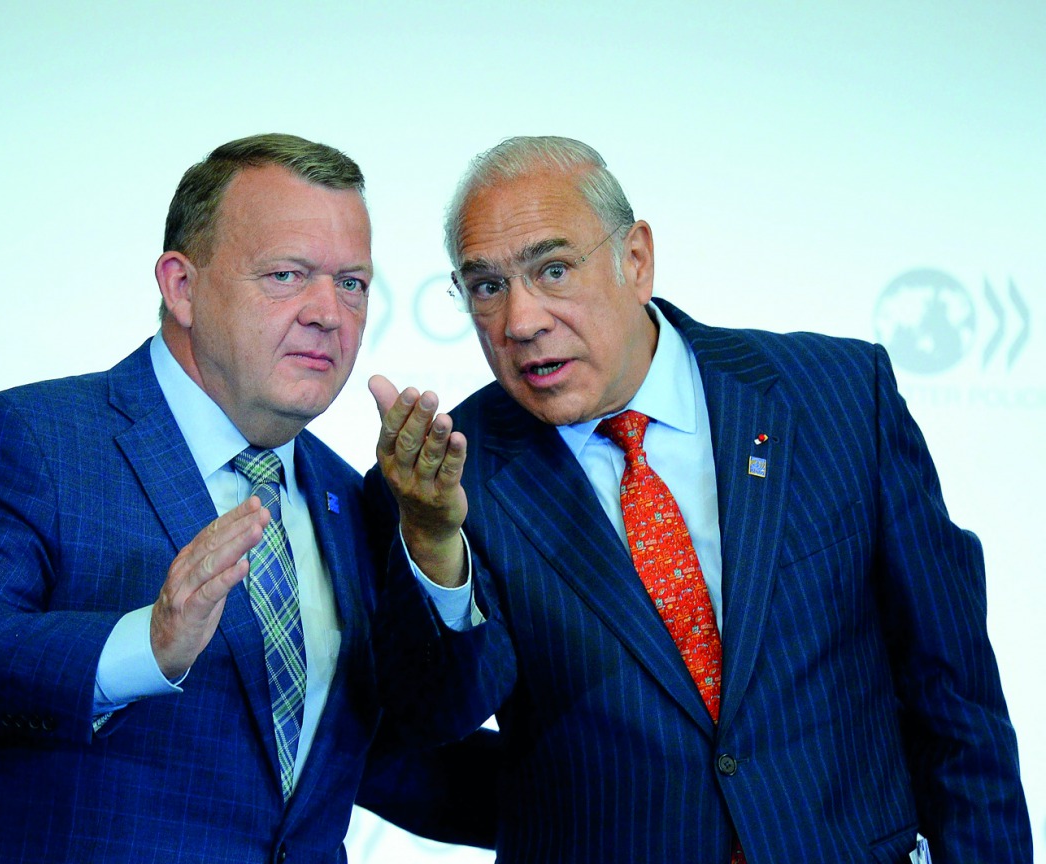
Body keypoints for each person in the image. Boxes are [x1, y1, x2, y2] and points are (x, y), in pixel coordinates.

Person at [368, 136, 1031, 863]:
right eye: (487, 287)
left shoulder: (839, 395)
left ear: (637, 259)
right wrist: (434, 545)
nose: (520, 320)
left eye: (552, 270)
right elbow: (431, 721)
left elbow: (955, 697)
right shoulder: (444, 479)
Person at [0, 133, 493, 863]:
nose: (330, 311)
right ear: (182, 287)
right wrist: (147, 643)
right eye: (288, 275)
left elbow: (389, 758)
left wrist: (434, 550)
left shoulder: (348, 497)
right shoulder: (37, 439)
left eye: (353, 283)